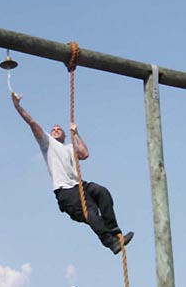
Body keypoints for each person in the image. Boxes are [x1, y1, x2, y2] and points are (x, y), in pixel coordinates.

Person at [11, 92, 134, 255]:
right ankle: (110, 242)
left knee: (102, 192)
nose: (55, 130)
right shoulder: (47, 143)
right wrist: (17, 106)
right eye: (52, 129)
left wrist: (76, 134)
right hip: (66, 191)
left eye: (58, 129)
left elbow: (84, 154)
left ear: (64, 134)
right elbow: (32, 123)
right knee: (89, 212)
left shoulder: (69, 147)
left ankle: (114, 231)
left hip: (80, 186)